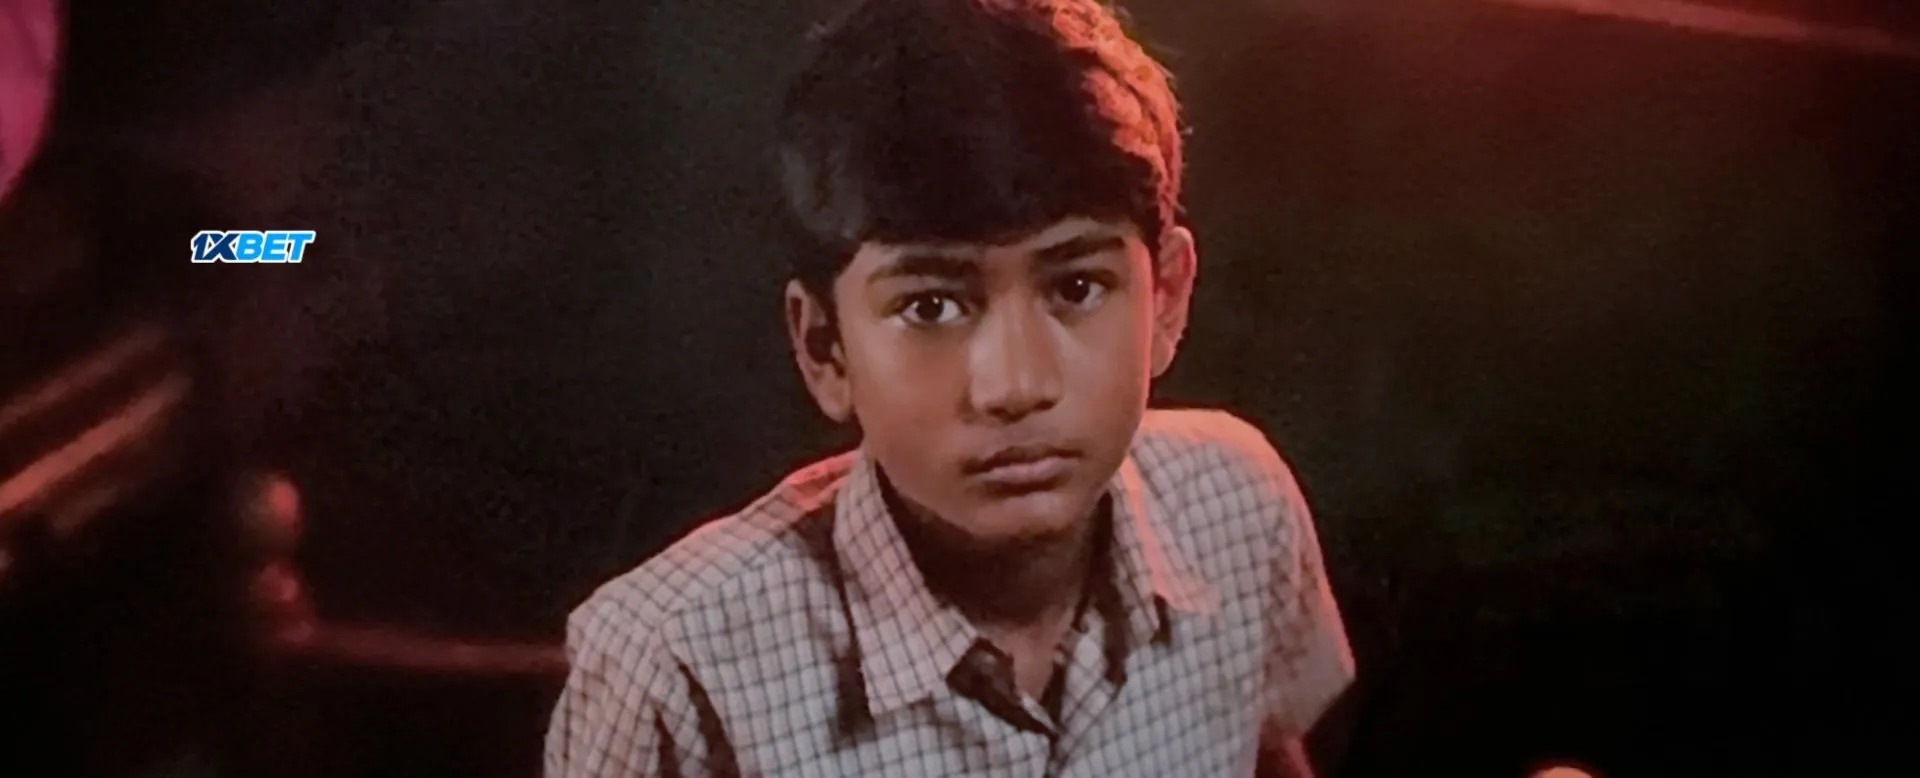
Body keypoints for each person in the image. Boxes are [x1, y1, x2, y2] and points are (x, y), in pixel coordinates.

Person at [545, 1, 1354, 775]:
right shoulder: (673, 666)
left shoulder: (1238, 508)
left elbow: (1263, 746)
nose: (1016, 387)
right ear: (825, 348)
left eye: (1076, 287)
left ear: (1167, 298)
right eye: (931, 306)